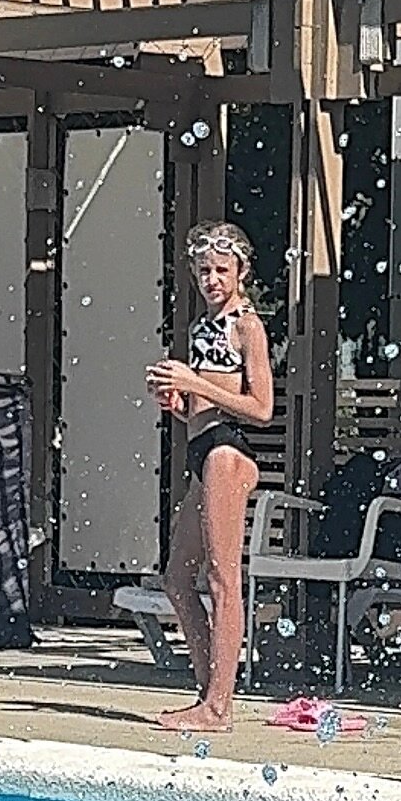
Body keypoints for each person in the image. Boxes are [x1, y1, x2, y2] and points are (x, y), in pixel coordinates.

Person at [146, 221, 274, 736]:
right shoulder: (202, 325)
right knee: (178, 578)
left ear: (242, 272)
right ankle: (207, 693)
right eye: (204, 271)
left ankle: (219, 706)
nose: (212, 279)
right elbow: (201, 408)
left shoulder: (247, 325)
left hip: (227, 453)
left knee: (223, 579)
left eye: (222, 269)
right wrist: (177, 402)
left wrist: (194, 382)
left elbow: (261, 407)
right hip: (204, 447)